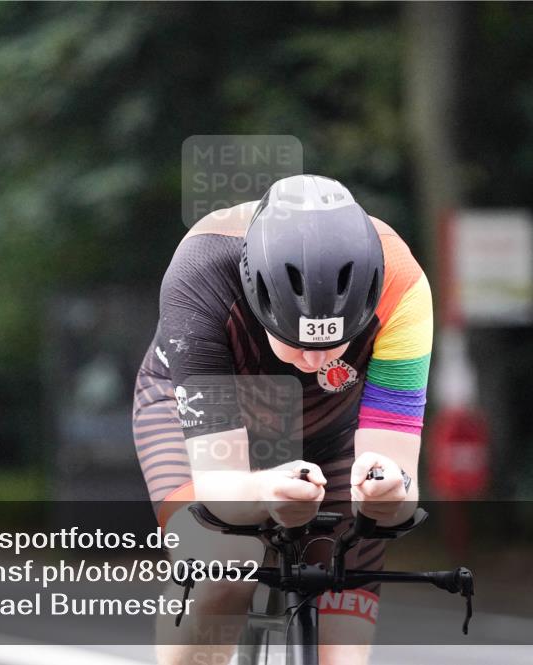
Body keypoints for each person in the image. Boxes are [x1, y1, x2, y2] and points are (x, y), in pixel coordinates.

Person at [132, 174, 433, 664]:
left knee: (340, 646)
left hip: (332, 430)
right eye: (296, 341)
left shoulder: (403, 285)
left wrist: (385, 491)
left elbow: (400, 490)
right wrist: (264, 492)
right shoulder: (200, 272)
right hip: (185, 416)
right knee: (224, 570)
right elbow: (220, 490)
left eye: (335, 344)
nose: (315, 361)